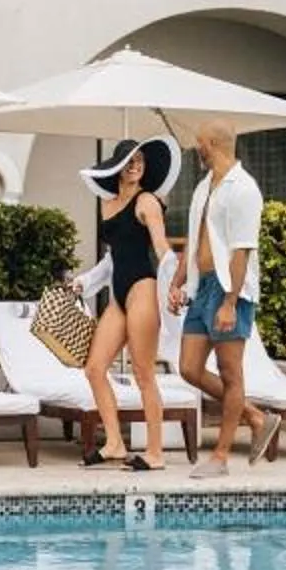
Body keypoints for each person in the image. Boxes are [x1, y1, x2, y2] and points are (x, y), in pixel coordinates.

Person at [78, 135, 176, 471]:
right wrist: (84, 282)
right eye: (130, 161)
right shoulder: (107, 205)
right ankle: (115, 443)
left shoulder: (147, 201)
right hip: (118, 292)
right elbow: (112, 259)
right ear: (118, 167)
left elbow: (161, 248)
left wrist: (176, 283)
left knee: (143, 372)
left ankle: (155, 453)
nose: (136, 166)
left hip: (142, 289)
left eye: (141, 162)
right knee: (93, 368)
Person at [172, 118, 263, 479]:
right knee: (189, 368)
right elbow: (194, 243)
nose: (197, 148)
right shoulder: (203, 187)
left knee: (230, 374)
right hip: (202, 286)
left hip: (230, 291)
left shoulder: (244, 189)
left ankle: (221, 457)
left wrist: (229, 302)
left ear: (211, 143)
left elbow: (241, 251)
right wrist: (178, 282)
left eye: (199, 143)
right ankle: (255, 416)